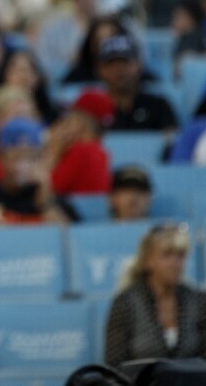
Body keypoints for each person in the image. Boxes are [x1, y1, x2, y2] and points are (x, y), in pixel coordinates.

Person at [104, 224, 206, 367]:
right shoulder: (125, 303)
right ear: (147, 261)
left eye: (180, 256)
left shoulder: (198, 301)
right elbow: (115, 365)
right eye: (167, 255)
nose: (176, 263)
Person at [0, 117, 78, 226]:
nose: (24, 165)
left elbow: (73, 247)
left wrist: (46, 202)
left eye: (32, 157)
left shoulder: (56, 203)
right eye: (16, 157)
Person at [96, 35, 179, 133]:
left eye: (125, 62)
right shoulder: (92, 110)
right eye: (112, 64)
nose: (119, 70)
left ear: (139, 66)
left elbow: (172, 142)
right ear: (100, 70)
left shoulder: (159, 106)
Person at [44, 89, 113, 196]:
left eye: (71, 118)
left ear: (80, 124)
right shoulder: (99, 150)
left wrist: (54, 150)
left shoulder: (82, 150)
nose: (65, 123)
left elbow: (48, 188)